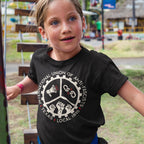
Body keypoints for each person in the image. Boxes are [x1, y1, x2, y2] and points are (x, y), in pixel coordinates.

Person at [7, 0, 144, 144]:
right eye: (54, 22)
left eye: (72, 18)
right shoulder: (39, 58)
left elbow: (135, 96)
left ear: (83, 23)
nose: (66, 28)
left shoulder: (97, 64)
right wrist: (19, 88)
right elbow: (34, 79)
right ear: (43, 32)